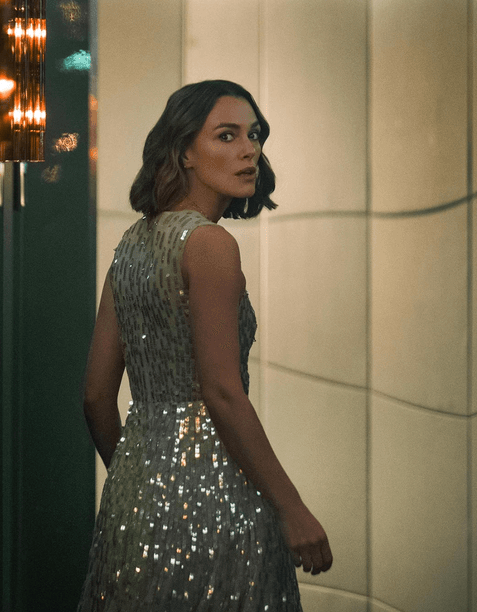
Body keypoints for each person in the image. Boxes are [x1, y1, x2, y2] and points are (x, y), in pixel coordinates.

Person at [78, 80, 332, 610]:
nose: (249, 150)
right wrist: (292, 509)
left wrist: (140, 481)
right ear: (184, 151)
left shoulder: (132, 243)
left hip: (134, 497)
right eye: (226, 135)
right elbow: (221, 392)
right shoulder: (211, 244)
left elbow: (96, 397)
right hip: (216, 496)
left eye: (254, 135)